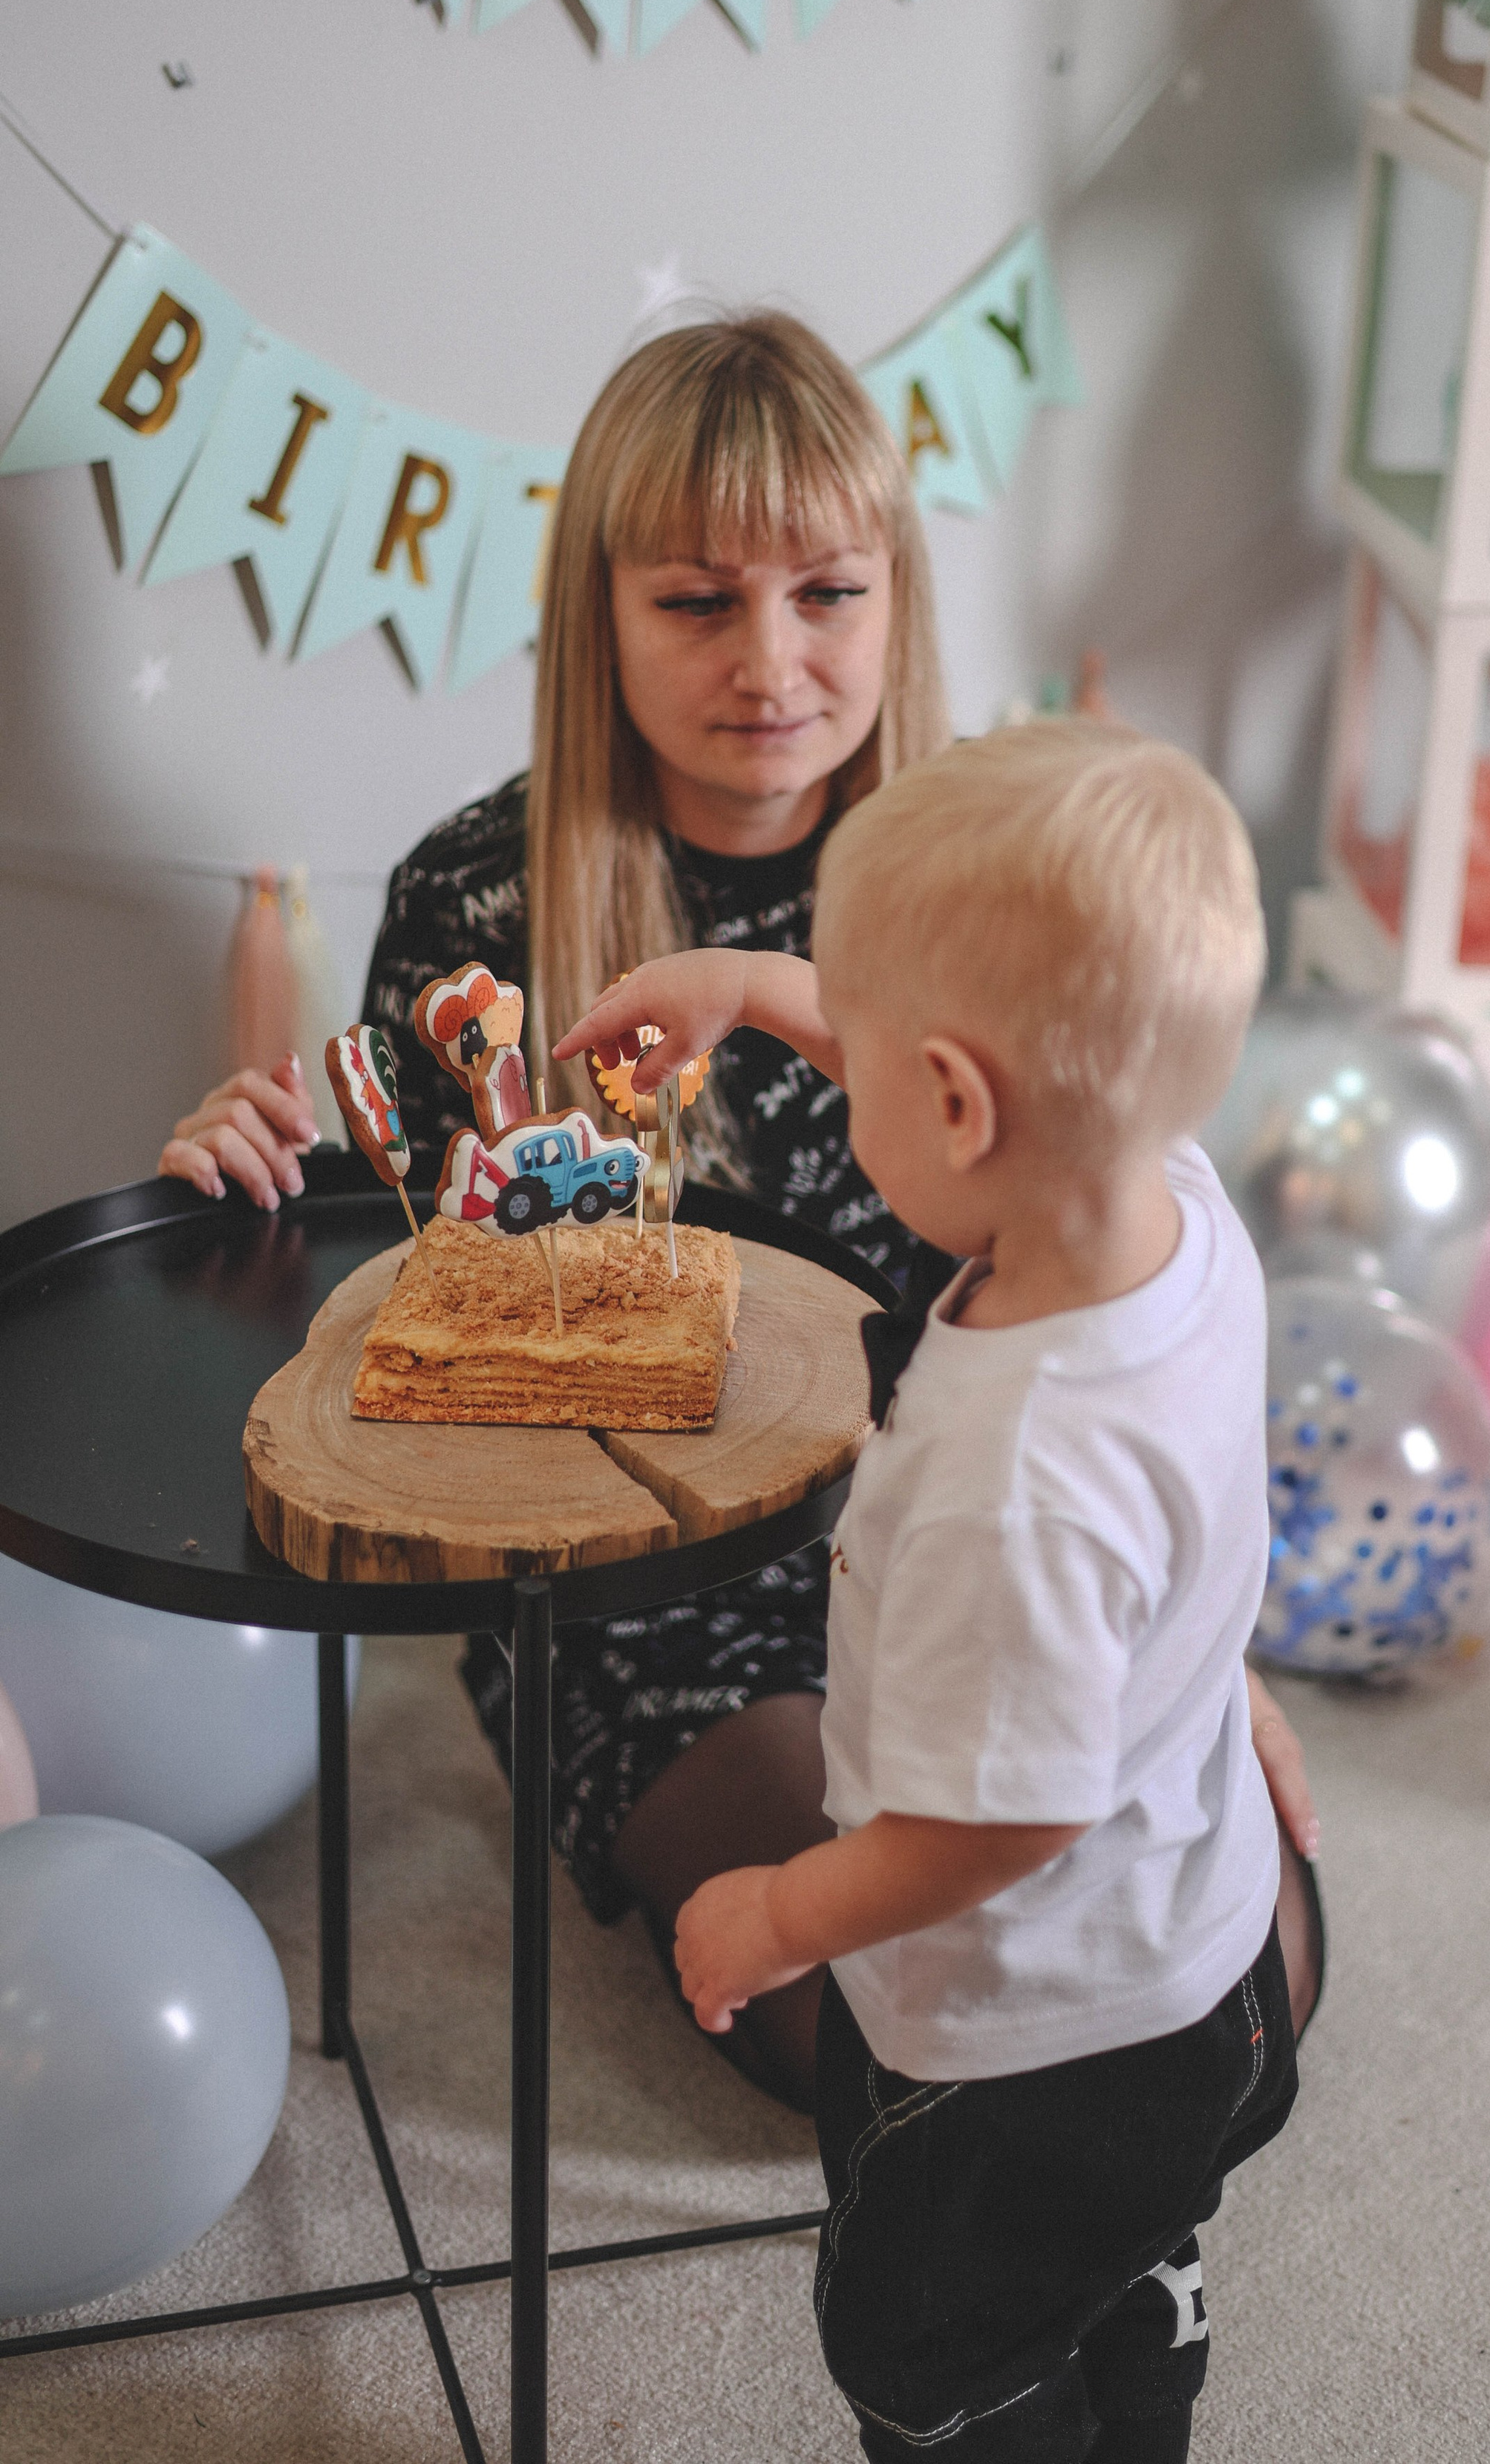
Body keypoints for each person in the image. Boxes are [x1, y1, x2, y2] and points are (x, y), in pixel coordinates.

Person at [160, 314, 1321, 2119]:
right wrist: (253, 1185)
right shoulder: (483, 893)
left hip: (977, 1530)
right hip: (639, 1578)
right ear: (600, 614)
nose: (771, 663)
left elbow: (1131, 1281)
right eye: (698, 602)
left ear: (895, 600)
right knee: (900, 2040)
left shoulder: (1000, 885)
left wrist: (1180, 1645)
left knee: (1247, 1991)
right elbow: (399, 1260)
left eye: (827, 594)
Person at [558, 719, 1298, 2463]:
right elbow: (949, 1047)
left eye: (857, 1051)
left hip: (1019, 2026)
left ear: (956, 1101)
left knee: (942, 2350)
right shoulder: (1170, 1199)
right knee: (1116, 2220)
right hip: (1194, 1942)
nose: (835, 1061)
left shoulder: (1013, 1472)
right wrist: (750, 979)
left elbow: (996, 1828)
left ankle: (1035, 2376)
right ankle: (1138, 2304)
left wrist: (780, 1915)